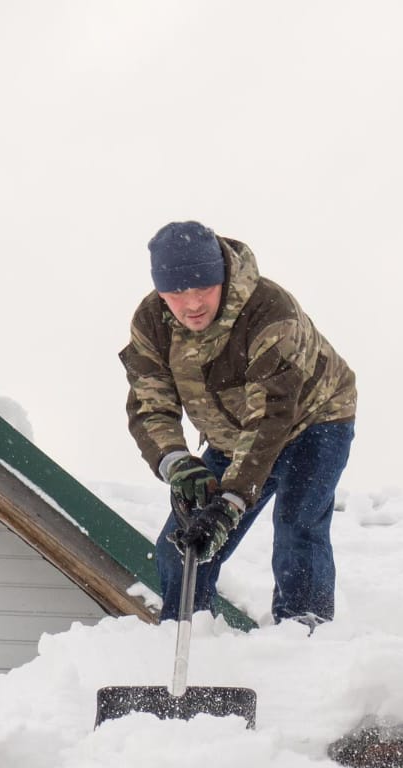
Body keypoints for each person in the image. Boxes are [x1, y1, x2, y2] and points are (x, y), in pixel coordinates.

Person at [118, 221, 357, 628]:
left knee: (297, 527)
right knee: (183, 545)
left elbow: (269, 418)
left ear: (223, 277)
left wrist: (230, 504)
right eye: (177, 293)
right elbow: (149, 404)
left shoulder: (268, 311)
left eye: (202, 289)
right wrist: (178, 464)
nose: (191, 304)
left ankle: (304, 639)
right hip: (231, 437)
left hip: (313, 421)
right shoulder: (151, 323)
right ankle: (189, 638)